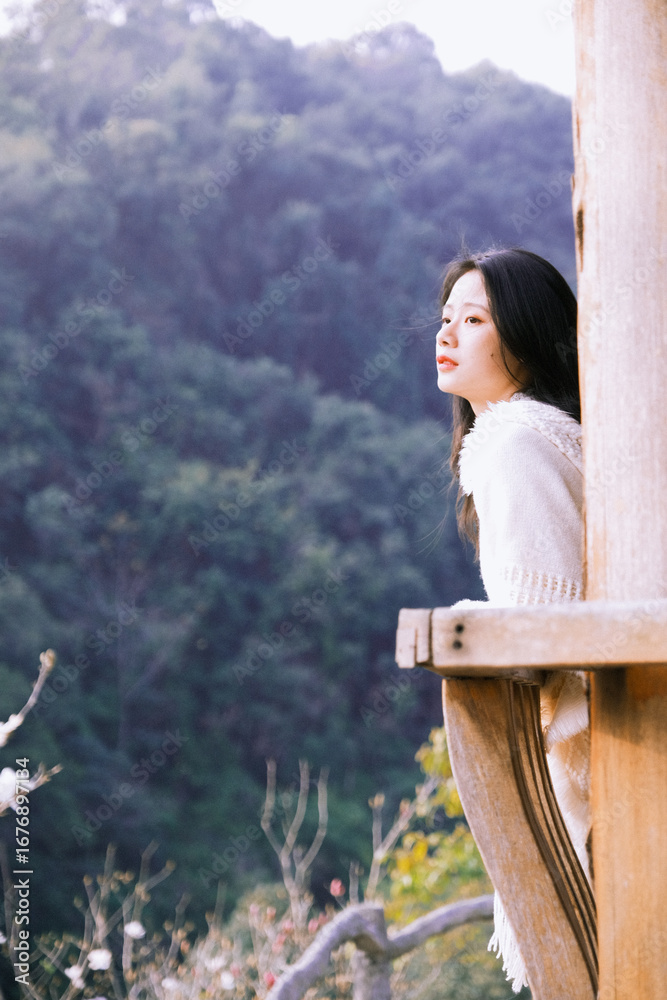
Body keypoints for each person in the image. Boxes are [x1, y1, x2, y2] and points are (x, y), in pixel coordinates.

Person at [436, 246, 590, 993]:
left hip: (601, 757)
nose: (447, 334)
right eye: (445, 318)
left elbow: (542, 620)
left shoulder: (514, 441)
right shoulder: (540, 434)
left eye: (473, 319)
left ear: (526, 335)